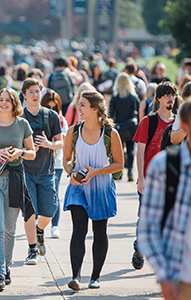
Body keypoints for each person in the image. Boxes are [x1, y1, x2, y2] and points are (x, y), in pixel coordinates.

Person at [63, 90, 124, 290]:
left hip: (101, 187)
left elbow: (119, 164)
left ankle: (95, 277)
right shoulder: (73, 131)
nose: (78, 108)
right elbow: (66, 160)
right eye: (79, 104)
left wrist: (96, 172)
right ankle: (75, 277)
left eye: (82, 105)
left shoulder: (110, 134)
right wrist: (72, 172)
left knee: (100, 231)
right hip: (78, 187)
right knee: (78, 230)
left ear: (94, 109)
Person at [0, 88, 36, 292]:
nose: (4, 103)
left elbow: (32, 153)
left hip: (15, 181)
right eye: (1, 100)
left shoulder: (22, 124)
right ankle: (0, 273)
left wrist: (20, 151)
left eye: (7, 100)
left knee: (10, 229)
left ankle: (7, 266)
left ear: (14, 104)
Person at [137, 101, 191, 300]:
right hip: (182, 280)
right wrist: (165, 277)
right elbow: (147, 229)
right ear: (185, 127)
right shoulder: (164, 166)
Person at [132, 81, 178, 270]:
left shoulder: (179, 124)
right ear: (158, 98)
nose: (170, 98)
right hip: (149, 179)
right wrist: (141, 177)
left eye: (173, 95)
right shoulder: (148, 121)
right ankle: (139, 248)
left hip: (171, 181)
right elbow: (140, 151)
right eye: (166, 95)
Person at [21, 78, 63, 264]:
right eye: (31, 92)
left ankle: (40, 231)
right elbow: (13, 145)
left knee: (49, 212)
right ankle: (32, 250)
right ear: (24, 95)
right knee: (30, 212)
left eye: (37, 91)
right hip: (26, 172)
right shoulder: (19, 118)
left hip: (47, 172)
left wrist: (48, 144)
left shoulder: (50, 116)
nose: (35, 95)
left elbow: (61, 142)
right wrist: (28, 151)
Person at [40, 90, 68, 238]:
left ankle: (54, 225)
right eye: (48, 107)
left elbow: (64, 141)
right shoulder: (38, 118)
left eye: (54, 108)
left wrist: (52, 143)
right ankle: (40, 223)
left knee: (54, 193)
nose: (52, 111)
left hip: (56, 163)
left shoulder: (62, 120)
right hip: (40, 162)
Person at [109, 73, 140, 182]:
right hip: (131, 127)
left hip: (119, 127)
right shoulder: (133, 97)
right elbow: (137, 112)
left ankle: (120, 171)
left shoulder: (115, 97)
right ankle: (130, 171)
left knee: (119, 150)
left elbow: (111, 114)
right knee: (131, 149)